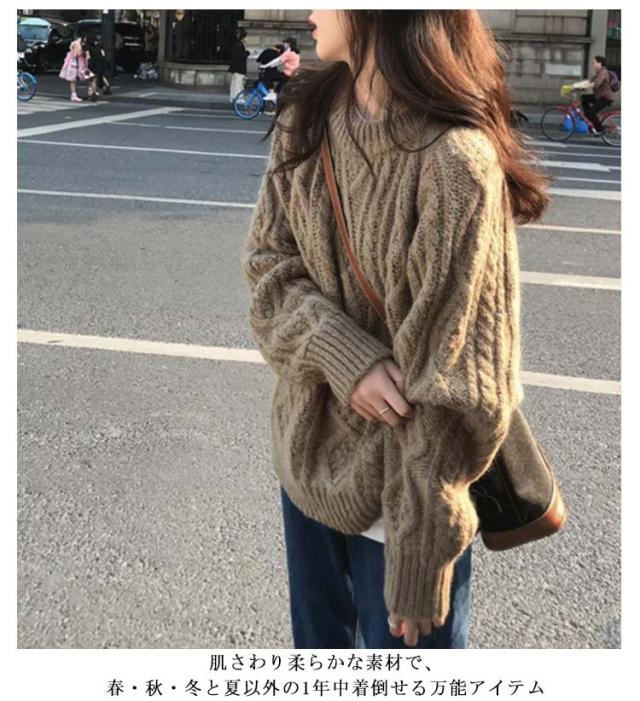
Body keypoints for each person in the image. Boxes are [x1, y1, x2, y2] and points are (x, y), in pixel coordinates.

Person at [242, 10, 550, 649]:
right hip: (305, 466)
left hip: (404, 514)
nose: (309, 10)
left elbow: (461, 382)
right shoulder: (305, 120)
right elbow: (268, 269)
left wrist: (421, 554)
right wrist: (342, 354)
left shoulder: (455, 161)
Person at [579, 55, 615, 135]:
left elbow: (596, 83)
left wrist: (584, 86)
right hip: (599, 96)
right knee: (583, 98)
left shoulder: (603, 72)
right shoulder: (599, 72)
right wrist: (576, 86)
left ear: (600, 63)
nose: (592, 65)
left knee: (590, 113)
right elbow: (589, 81)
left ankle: (599, 130)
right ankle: (589, 117)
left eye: (594, 63)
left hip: (605, 98)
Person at [58, 33, 93, 103]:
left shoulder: (82, 43)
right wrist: (83, 52)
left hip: (80, 63)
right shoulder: (77, 44)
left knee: (88, 77)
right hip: (76, 63)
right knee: (73, 79)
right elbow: (75, 55)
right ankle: (74, 95)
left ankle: (89, 92)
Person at [228, 28, 250, 103]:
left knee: (235, 83)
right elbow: (240, 56)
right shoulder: (239, 45)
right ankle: (239, 98)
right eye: (245, 37)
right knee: (239, 84)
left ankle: (233, 97)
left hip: (235, 67)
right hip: (239, 67)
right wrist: (247, 53)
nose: (246, 39)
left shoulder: (236, 44)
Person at [86, 34, 111, 99]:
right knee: (102, 76)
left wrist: (88, 65)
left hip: (93, 64)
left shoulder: (88, 47)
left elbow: (88, 57)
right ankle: (107, 87)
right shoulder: (99, 46)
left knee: (93, 79)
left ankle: (94, 93)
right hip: (101, 63)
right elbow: (103, 55)